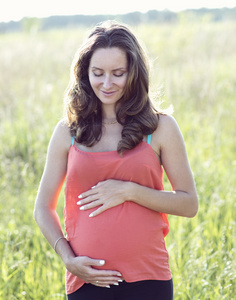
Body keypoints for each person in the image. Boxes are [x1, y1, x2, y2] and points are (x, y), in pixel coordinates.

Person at [34, 21, 198, 300]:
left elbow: (188, 203)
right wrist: (68, 258)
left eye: (118, 74)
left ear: (133, 73)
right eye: (97, 73)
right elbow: (43, 208)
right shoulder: (67, 131)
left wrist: (129, 191)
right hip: (87, 280)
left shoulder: (161, 127)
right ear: (85, 74)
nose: (107, 84)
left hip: (148, 279)